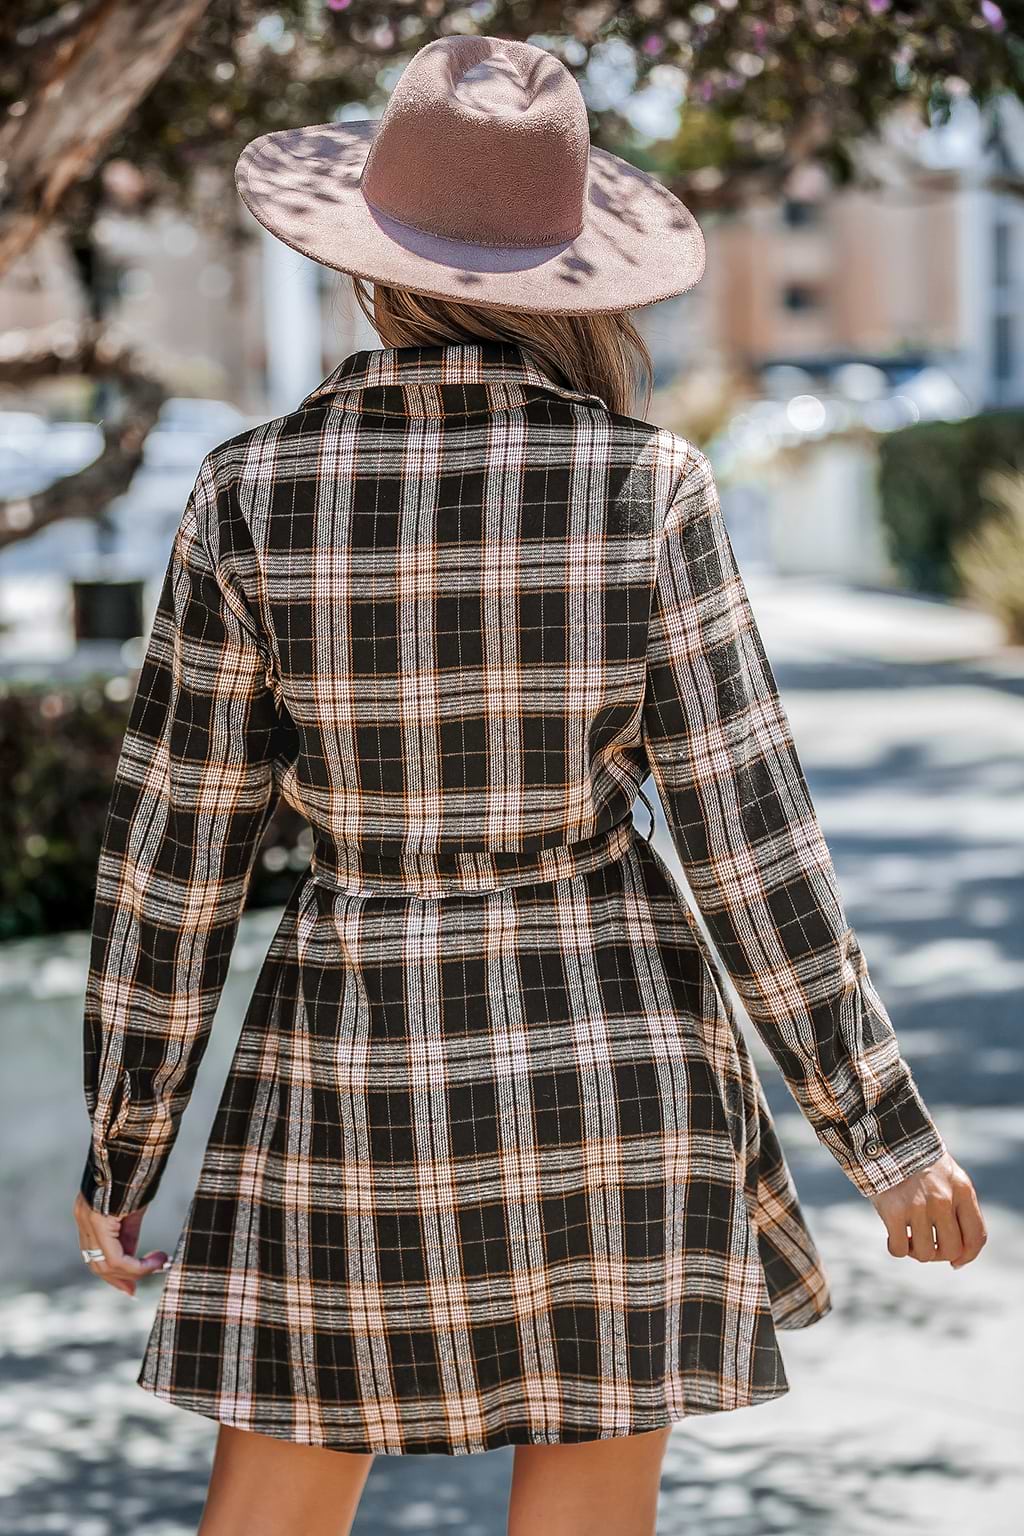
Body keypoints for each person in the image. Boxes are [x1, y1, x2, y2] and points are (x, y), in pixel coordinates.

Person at [73, 33, 986, 1536]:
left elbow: (175, 861)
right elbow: (752, 846)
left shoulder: (248, 491)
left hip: (349, 1068)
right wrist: (882, 1134)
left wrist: (125, 1140)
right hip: (614, 1074)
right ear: (574, 280)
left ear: (370, 269)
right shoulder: (650, 490)